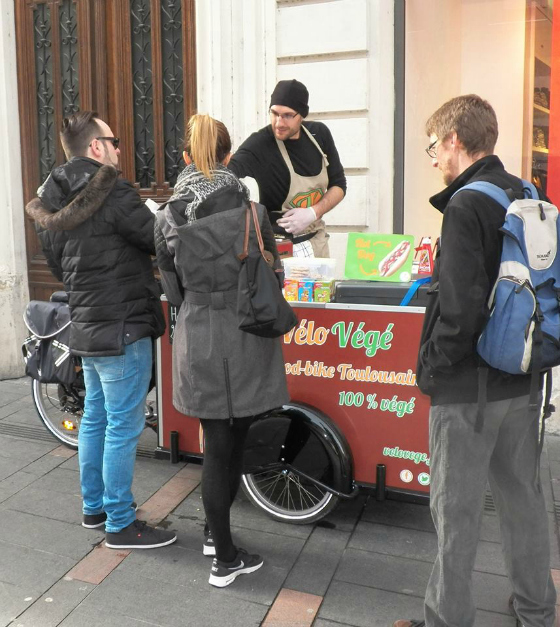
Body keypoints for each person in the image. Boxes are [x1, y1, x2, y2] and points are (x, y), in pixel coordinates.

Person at [394, 95, 557, 627]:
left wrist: (432, 367)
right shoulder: (527, 192)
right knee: (523, 502)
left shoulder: (465, 205)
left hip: (468, 391)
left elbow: (460, 311)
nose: (435, 159)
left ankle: (447, 620)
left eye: (434, 147)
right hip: (523, 380)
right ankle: (536, 610)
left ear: (455, 140)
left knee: (455, 513)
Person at [25, 111, 176, 550]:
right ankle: (121, 524)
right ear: (96, 147)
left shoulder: (50, 200)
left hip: (87, 325)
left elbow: (59, 268)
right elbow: (157, 241)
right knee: (123, 426)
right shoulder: (114, 190)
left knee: (95, 418)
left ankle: (95, 508)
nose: (118, 150)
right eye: (114, 142)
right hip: (123, 325)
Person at [154, 113, 290, 587]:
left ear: (186, 157)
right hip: (246, 333)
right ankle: (222, 553)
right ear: (229, 157)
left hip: (198, 335)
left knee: (214, 443)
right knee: (236, 439)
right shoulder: (252, 211)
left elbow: (171, 289)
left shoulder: (167, 217)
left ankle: (219, 542)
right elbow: (274, 274)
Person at [228, 79, 346, 257]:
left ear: (302, 114)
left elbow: (339, 184)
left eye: (288, 115)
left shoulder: (319, 135)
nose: (279, 123)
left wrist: (313, 212)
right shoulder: (260, 144)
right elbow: (226, 175)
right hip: (279, 252)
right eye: (274, 113)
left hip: (317, 243)